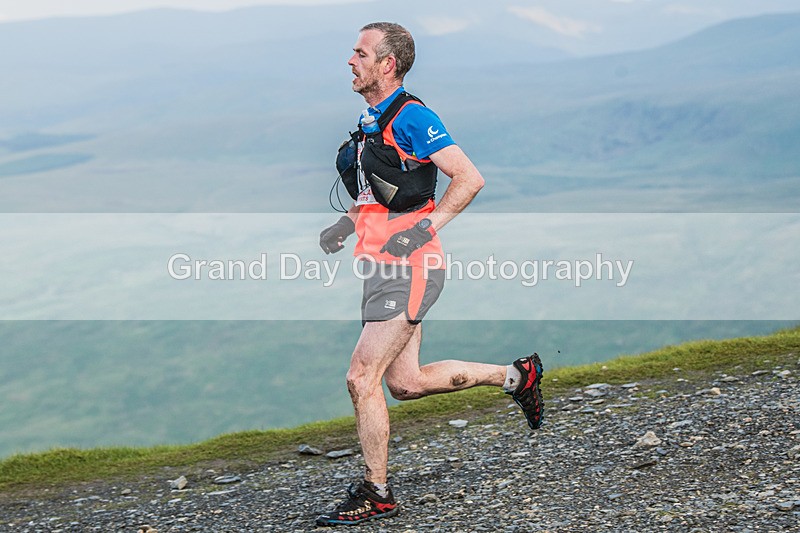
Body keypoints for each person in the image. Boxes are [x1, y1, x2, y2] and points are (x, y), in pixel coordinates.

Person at [316, 22, 543, 526]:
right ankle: (516, 377)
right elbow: (380, 189)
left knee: (361, 377)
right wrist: (345, 224)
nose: (350, 60)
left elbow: (469, 178)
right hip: (380, 266)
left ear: (386, 64)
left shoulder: (413, 116)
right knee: (406, 383)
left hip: (412, 268)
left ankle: (377, 491)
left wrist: (423, 230)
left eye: (359, 53)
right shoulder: (372, 118)